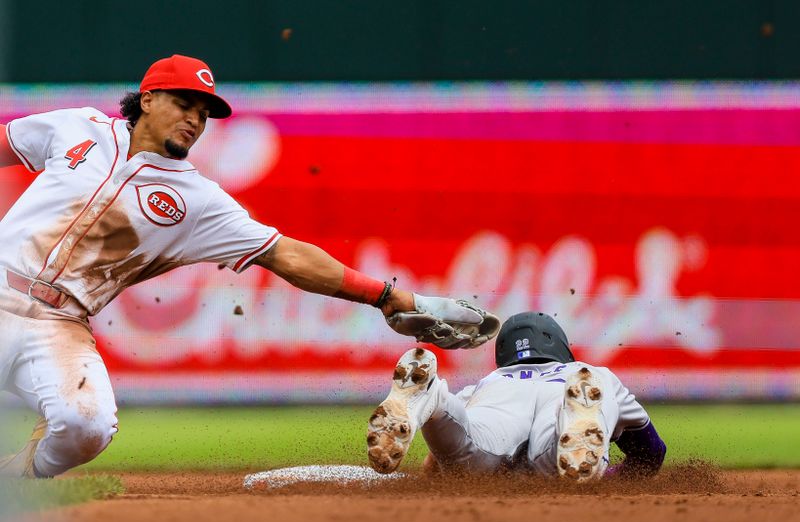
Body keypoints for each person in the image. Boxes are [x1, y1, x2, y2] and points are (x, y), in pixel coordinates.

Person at [0, 55, 498, 478]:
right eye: (183, 104)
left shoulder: (199, 200)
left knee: (87, 427)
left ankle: (13, 477)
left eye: (203, 113)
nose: (194, 120)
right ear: (147, 99)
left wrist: (390, 298)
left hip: (59, 324)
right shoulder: (76, 127)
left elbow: (288, 255)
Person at [367, 311, 667, 482]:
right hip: (559, 416)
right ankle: (572, 420)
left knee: (464, 440)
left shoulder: (488, 382)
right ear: (559, 345)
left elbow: (434, 465)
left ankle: (431, 396)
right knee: (592, 395)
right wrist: (611, 480)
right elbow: (651, 453)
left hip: (494, 434)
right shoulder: (589, 372)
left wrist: (444, 461)